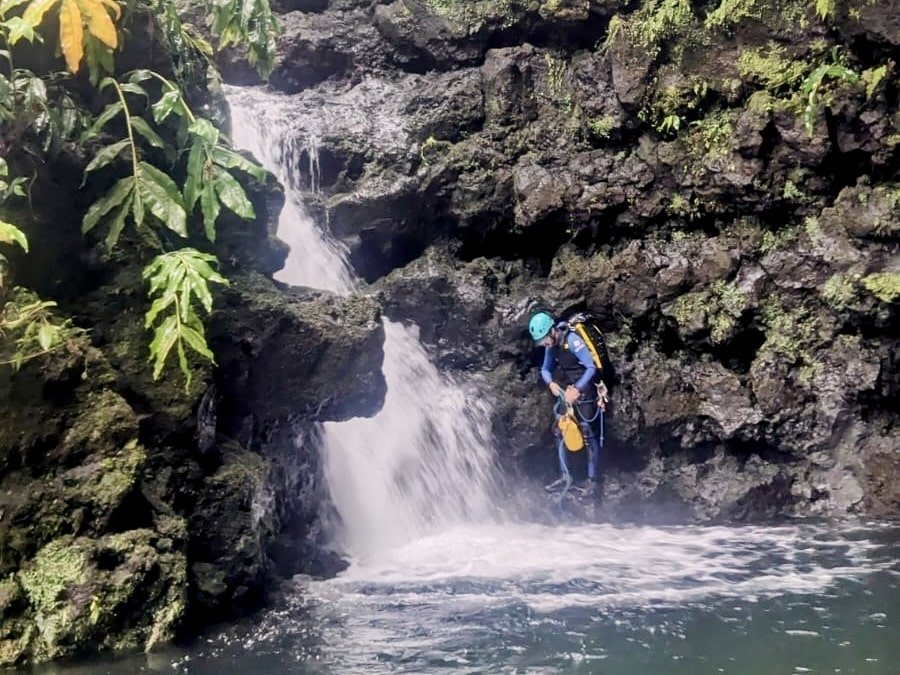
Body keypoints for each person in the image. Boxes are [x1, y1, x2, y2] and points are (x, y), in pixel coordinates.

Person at [528, 311, 607, 494]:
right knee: (559, 430)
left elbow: (590, 367)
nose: (544, 344)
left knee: (587, 432)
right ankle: (565, 475)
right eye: (540, 342)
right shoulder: (551, 347)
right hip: (567, 391)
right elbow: (545, 369)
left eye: (544, 339)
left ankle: (592, 481)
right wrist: (551, 384)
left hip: (585, 389)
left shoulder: (572, 340)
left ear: (552, 331)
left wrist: (578, 389)